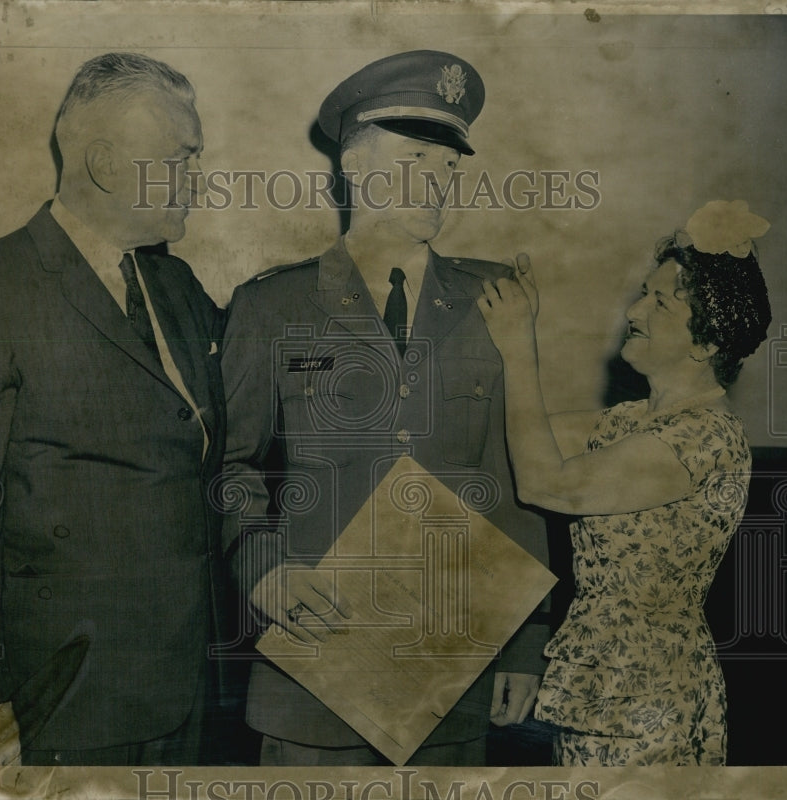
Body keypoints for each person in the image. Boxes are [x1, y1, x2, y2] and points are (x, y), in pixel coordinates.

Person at [218, 50, 551, 767]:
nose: (439, 183)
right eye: (417, 159)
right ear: (354, 167)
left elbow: (516, 476)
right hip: (316, 665)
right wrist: (263, 569)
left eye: (449, 167)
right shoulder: (272, 306)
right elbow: (229, 467)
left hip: (450, 667)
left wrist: (525, 640)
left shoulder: (495, 300)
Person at [0, 52, 224, 767]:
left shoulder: (178, 288)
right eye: (182, 158)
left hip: (184, 681)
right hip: (58, 696)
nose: (200, 179)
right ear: (106, 164)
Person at [477, 199, 773, 766]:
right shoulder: (629, 421)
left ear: (706, 343)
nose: (635, 310)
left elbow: (548, 485)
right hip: (599, 686)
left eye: (660, 301)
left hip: (651, 695)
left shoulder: (706, 435)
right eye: (644, 292)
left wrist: (519, 344)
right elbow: (517, 434)